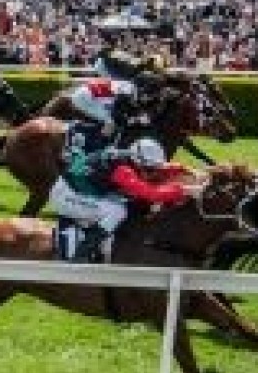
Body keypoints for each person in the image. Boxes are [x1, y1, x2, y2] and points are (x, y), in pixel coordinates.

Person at [49, 136, 201, 262]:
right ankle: (82, 253)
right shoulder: (123, 170)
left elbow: (159, 167)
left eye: (153, 169)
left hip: (85, 189)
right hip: (66, 195)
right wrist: (184, 190)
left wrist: (184, 169)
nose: (152, 172)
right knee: (117, 210)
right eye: (149, 170)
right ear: (138, 162)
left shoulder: (131, 157)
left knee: (131, 202)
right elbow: (152, 194)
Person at [69, 63, 165, 137]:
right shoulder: (127, 91)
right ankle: (91, 145)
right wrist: (138, 120)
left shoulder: (130, 88)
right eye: (149, 95)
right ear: (143, 89)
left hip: (88, 94)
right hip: (85, 97)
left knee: (110, 119)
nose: (149, 98)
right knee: (111, 123)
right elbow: (118, 116)